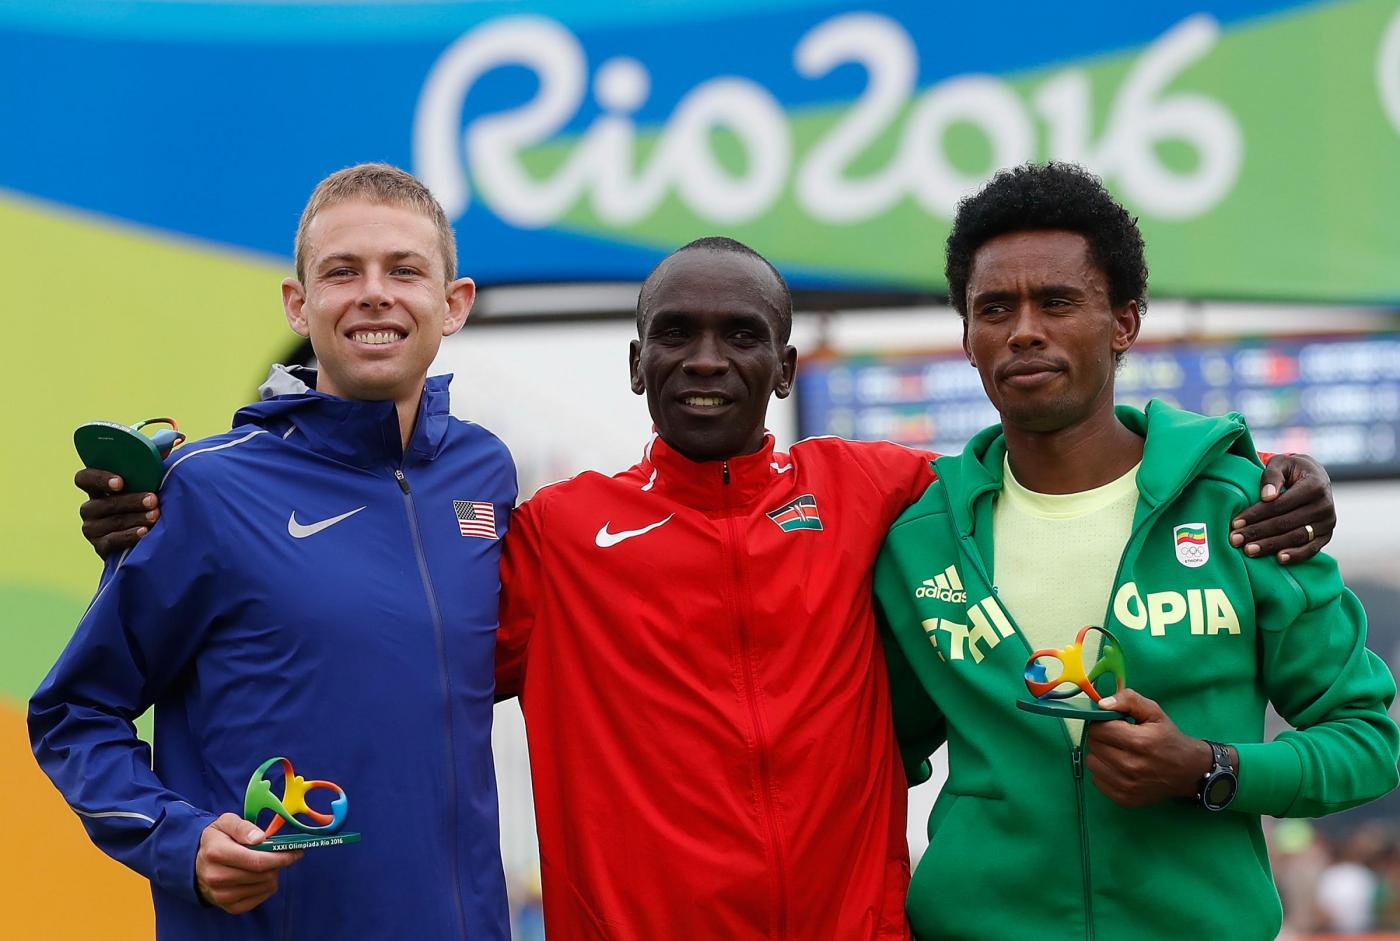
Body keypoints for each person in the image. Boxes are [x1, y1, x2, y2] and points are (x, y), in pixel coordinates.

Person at [73, 235, 1339, 940]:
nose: (705, 358)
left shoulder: (877, 491)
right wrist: (180, 523)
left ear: (784, 367)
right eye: (674, 334)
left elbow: (1055, 460)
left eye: (740, 335)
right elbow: (381, 620)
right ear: (634, 363)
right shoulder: (558, 532)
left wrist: (1253, 468)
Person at [873, 162, 1399, 941]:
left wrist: (1210, 766)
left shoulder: (1245, 509)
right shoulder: (921, 538)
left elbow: (1367, 740)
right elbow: (870, 756)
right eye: (995, 308)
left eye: (1057, 302)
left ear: (1124, 323)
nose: (1024, 329)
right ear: (968, 338)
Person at [31, 164, 514, 939]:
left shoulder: (484, 473)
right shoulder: (206, 488)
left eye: (404, 270)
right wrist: (181, 842)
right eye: (343, 271)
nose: (375, 293)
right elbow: (73, 712)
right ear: (298, 302)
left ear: (453, 302)